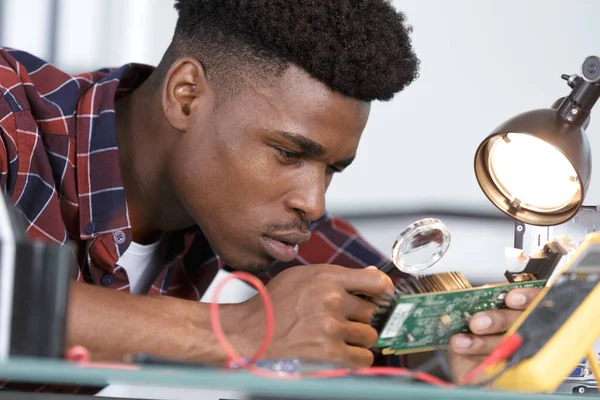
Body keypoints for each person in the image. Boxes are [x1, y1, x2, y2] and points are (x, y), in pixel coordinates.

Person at [0, 0, 540, 385]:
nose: (314, 202)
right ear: (186, 97)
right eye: (289, 153)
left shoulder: (244, 210)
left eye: (333, 170)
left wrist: (451, 351)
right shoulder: (10, 115)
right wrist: (236, 331)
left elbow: (389, 313)